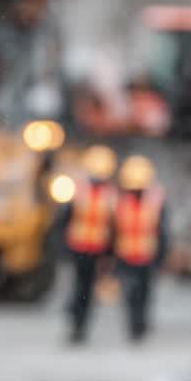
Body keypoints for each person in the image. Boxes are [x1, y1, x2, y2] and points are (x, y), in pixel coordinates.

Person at [58, 144, 118, 345]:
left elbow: (114, 226)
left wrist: (110, 253)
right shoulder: (81, 190)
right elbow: (65, 220)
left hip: (94, 250)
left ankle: (80, 324)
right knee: (80, 288)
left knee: (85, 289)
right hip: (80, 248)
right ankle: (77, 320)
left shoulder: (108, 195)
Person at [113, 155, 169, 341]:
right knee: (131, 293)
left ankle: (140, 324)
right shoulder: (120, 201)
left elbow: (162, 231)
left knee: (144, 293)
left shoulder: (155, 200)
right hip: (126, 255)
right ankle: (134, 324)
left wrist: (161, 255)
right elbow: (113, 229)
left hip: (147, 255)